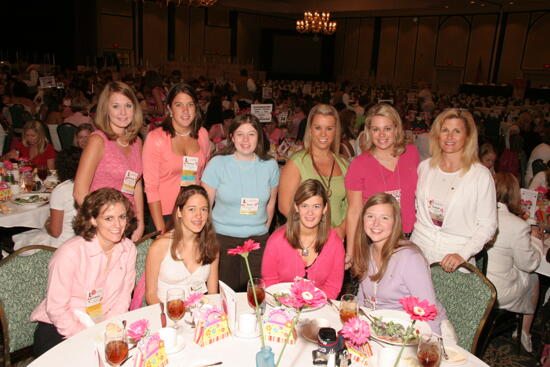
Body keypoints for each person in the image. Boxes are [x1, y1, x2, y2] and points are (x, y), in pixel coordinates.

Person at [31, 188, 137, 356]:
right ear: (93, 220)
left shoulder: (128, 249)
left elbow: (124, 295)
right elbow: (57, 309)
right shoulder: (70, 253)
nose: (118, 225)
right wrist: (87, 337)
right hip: (61, 327)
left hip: (103, 323)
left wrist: (111, 329)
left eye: (122, 217)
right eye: (108, 218)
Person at [411, 108, 497, 271]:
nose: (449, 136)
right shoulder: (425, 167)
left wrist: (463, 254)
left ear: (468, 136)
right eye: (445, 130)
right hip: (419, 252)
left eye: (456, 131)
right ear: (437, 134)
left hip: (455, 260)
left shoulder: (480, 175)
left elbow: (488, 225)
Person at [202, 114, 279, 291]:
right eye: (240, 134)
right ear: (231, 137)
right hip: (222, 239)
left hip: (257, 241)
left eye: (251, 134)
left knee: (254, 296)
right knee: (225, 295)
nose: (245, 140)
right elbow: (205, 205)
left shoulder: (270, 165)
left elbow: (271, 204)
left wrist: (261, 230)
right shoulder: (217, 164)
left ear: (259, 136)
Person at [353, 193, 447, 334]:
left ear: (395, 222)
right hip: (382, 330)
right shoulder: (367, 251)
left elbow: (428, 312)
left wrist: (431, 348)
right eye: (370, 216)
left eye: (384, 218)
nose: (375, 224)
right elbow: (362, 300)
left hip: (415, 332)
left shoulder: (410, 258)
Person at [345, 104, 419, 268]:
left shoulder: (411, 154)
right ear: (369, 132)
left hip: (410, 236)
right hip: (375, 239)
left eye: (387, 128)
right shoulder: (359, 164)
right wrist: (351, 251)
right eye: (376, 129)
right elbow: (354, 211)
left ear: (396, 129)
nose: (382, 135)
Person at [73, 81, 145, 242]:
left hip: (126, 223)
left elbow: (136, 183)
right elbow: (79, 192)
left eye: (128, 105)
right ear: (106, 109)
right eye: (115, 106)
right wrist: (99, 223)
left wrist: (139, 221)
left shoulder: (137, 142)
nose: (123, 112)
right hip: (101, 228)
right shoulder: (98, 140)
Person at [143, 83, 211, 233]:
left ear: (196, 108)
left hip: (194, 214)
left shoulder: (203, 135)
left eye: (190, 105)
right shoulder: (156, 139)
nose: (185, 111)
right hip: (165, 214)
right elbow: (151, 188)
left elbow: (203, 176)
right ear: (169, 109)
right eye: (179, 105)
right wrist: (161, 229)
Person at [262, 179, 344, 299]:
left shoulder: (334, 243)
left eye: (316, 206)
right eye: (304, 206)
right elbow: (270, 281)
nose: (310, 212)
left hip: (320, 310)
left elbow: (333, 286)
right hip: (282, 307)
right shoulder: (277, 240)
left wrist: (314, 305)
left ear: (325, 209)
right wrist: (287, 304)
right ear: (296, 207)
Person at [486, 173, 541, 352]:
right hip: (496, 292)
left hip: (474, 282)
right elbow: (529, 264)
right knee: (533, 278)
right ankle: (524, 333)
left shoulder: (475, 214)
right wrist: (536, 241)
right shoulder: (518, 226)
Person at [279, 104, 348, 239]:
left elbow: (351, 206)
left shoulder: (344, 164)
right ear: (310, 130)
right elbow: (284, 206)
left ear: (336, 131)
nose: (323, 134)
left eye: (329, 128)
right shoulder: (297, 162)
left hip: (336, 240)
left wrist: (342, 230)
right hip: (304, 239)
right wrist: (311, 232)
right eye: (318, 128)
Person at [145, 185, 219, 304]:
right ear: (179, 212)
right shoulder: (160, 246)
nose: (199, 215)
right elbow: (151, 295)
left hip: (199, 316)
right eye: (191, 209)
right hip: (166, 314)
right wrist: (167, 317)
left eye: (203, 209)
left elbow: (213, 294)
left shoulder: (211, 246)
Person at [12, 147, 81, 251]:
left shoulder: (61, 190)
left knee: (21, 239)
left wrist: (47, 223)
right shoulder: (89, 185)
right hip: (80, 240)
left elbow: (55, 232)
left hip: (61, 245)